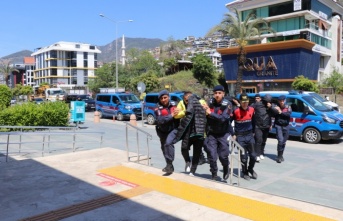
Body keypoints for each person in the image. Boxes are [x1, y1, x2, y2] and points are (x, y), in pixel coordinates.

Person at [202, 85, 233, 180]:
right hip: (212, 133)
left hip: (223, 133)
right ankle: (214, 173)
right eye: (215, 93)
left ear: (223, 94)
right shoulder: (210, 103)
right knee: (212, 154)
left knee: (223, 155)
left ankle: (226, 167)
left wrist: (210, 113)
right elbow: (206, 116)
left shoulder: (227, 104)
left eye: (219, 93)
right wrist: (204, 111)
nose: (217, 95)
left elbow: (223, 118)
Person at [173, 94, 207, 176]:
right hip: (188, 131)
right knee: (184, 148)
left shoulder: (201, 102)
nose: (188, 102)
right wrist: (186, 112)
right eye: (186, 100)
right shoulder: (181, 103)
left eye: (189, 99)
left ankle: (193, 170)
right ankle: (187, 161)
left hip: (199, 131)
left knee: (197, 152)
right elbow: (176, 115)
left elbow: (206, 112)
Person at [231, 93, 257, 180]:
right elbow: (228, 122)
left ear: (248, 102)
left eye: (246, 102)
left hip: (249, 135)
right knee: (244, 157)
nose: (245, 104)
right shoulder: (235, 111)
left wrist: (253, 132)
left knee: (253, 156)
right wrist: (233, 133)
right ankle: (245, 172)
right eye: (243, 102)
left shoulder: (252, 110)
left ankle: (250, 169)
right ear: (240, 102)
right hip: (240, 137)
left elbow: (254, 121)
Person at [155, 90, 179, 174]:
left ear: (168, 97)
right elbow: (160, 120)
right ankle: (169, 166)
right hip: (162, 131)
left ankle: (169, 164)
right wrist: (171, 115)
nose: (163, 100)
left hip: (173, 129)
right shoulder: (157, 108)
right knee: (164, 148)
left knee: (168, 143)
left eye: (165, 97)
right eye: (161, 98)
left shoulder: (175, 105)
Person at [250, 94, 275, 162]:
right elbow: (249, 108)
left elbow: (275, 113)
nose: (268, 102)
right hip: (258, 126)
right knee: (259, 140)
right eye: (267, 101)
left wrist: (271, 107)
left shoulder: (270, 105)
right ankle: (257, 154)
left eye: (269, 101)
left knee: (264, 141)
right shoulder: (257, 104)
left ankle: (261, 153)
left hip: (266, 126)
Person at [274, 95, 292, 163]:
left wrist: (281, 112)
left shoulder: (288, 107)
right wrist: (276, 110)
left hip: (286, 126)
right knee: (280, 141)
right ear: (278, 101)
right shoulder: (276, 107)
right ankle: (278, 156)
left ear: (285, 101)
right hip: (278, 125)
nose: (281, 102)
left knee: (284, 141)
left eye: (283, 101)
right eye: (280, 101)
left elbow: (288, 114)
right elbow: (272, 113)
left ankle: (281, 155)